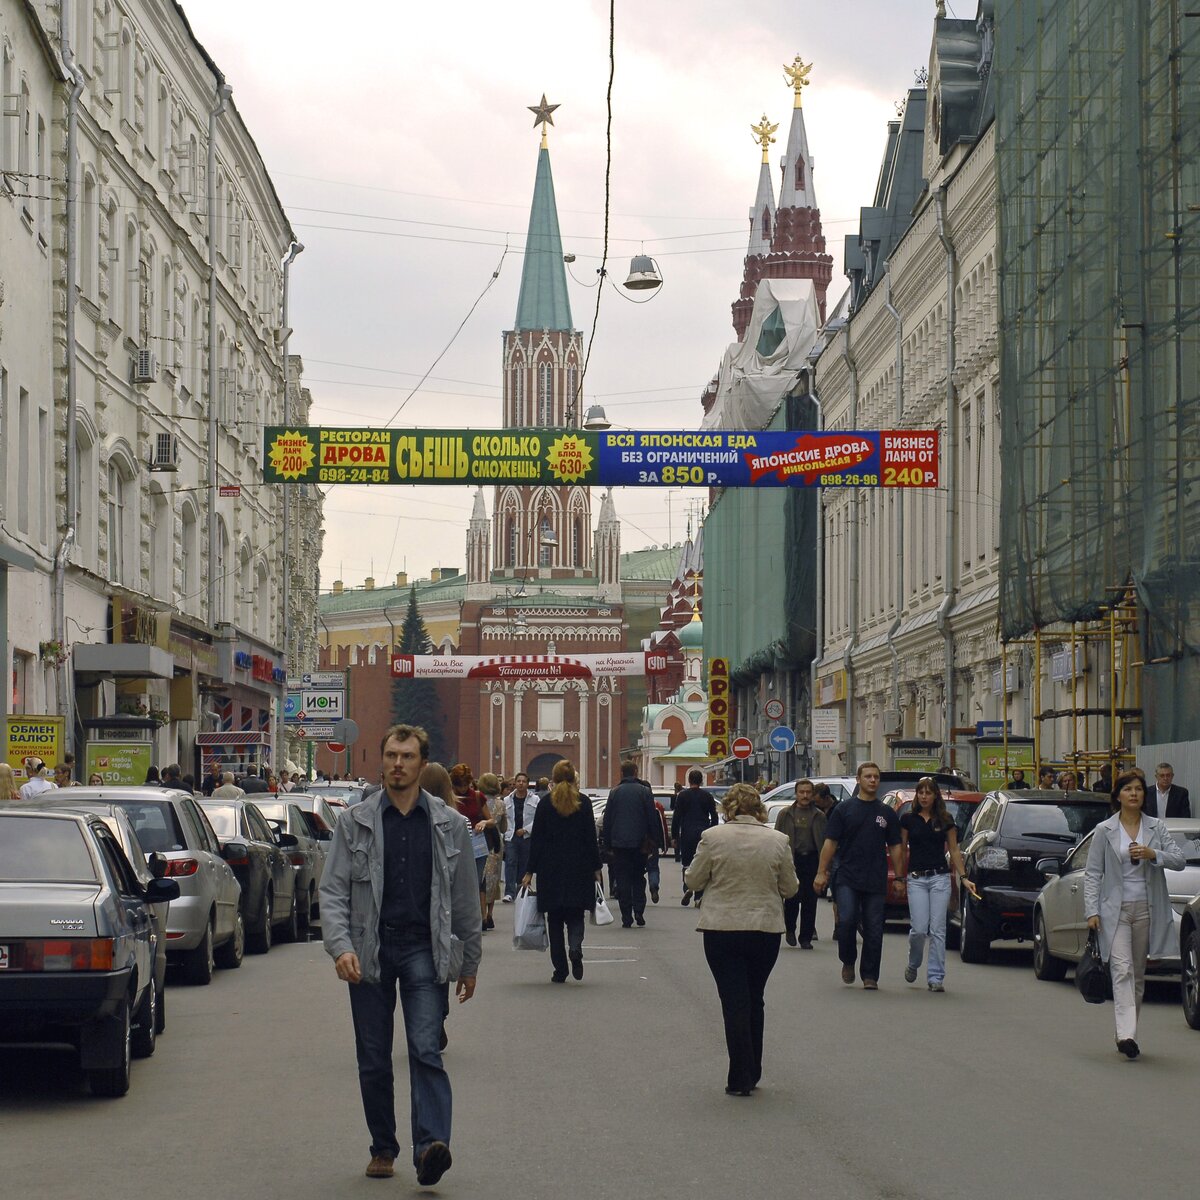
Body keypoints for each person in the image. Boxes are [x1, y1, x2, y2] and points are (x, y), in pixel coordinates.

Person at [321, 724, 480, 1186]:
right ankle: (383, 1146)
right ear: (383, 760)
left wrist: (469, 963)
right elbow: (332, 892)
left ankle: (431, 1146)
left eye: (407, 757)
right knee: (373, 1056)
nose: (397, 764)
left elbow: (466, 899)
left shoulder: (450, 823)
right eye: (391, 755)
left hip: (423, 949)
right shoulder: (356, 821)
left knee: (426, 1048)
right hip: (370, 947)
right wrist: (340, 947)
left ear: (422, 763)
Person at [684, 782, 798, 1096]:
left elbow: (694, 879)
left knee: (733, 1001)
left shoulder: (712, 838)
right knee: (754, 996)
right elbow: (790, 888)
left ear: (729, 808)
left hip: (721, 930)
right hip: (764, 930)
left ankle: (740, 1076)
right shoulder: (778, 840)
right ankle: (754, 1068)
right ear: (759, 808)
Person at [1084, 770, 1185, 1059]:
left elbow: (1178, 860)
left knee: (1138, 974)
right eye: (1128, 789)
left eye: (1139, 789)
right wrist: (1092, 909)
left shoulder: (1156, 828)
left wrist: (1154, 855)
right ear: (1118, 795)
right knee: (1122, 969)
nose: (1134, 794)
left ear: (1144, 795)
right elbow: (1093, 873)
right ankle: (1128, 1033)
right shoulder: (1105, 830)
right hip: (1114, 911)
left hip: (1146, 909)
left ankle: (1125, 1033)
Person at [814, 762, 903, 990]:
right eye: (868, 776)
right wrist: (821, 872)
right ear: (859, 780)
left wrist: (900, 878)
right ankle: (848, 959)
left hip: (875, 878)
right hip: (847, 876)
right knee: (847, 920)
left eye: (876, 777)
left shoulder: (886, 813)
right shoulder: (844, 810)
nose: (873, 780)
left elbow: (895, 846)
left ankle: (870, 975)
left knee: (874, 928)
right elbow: (830, 843)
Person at [521, 759, 602, 983]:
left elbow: (536, 840)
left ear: (554, 778)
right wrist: (596, 867)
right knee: (576, 915)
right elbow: (590, 840)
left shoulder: (545, 805)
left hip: (551, 870)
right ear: (574, 778)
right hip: (580, 868)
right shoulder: (584, 803)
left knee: (554, 921)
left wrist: (529, 871)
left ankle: (560, 970)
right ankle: (575, 947)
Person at [901, 778, 974, 992]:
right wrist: (899, 876)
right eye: (920, 792)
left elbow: (954, 850)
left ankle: (935, 977)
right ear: (917, 795)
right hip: (916, 878)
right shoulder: (908, 819)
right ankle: (914, 963)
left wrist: (963, 877)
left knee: (938, 929)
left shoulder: (945, 819)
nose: (924, 796)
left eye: (928, 792)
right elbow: (902, 848)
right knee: (919, 929)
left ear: (935, 796)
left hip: (939, 878)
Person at [601, 760, 662, 928]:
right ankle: (639, 911)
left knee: (622, 879)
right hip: (640, 843)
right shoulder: (645, 792)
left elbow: (608, 821)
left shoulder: (614, 792)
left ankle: (626, 916)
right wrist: (653, 841)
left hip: (619, 844)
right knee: (637, 878)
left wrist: (607, 844)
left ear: (622, 773)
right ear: (636, 772)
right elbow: (651, 819)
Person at [774, 779, 826, 948]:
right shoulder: (785, 814)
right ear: (796, 794)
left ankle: (806, 938)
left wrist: (825, 869)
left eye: (808, 792)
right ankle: (790, 929)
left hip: (812, 860)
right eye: (801, 792)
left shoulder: (819, 815)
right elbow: (777, 838)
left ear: (812, 794)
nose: (805, 795)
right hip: (791, 860)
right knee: (792, 898)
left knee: (810, 901)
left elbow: (825, 842)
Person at [449, 764, 491, 932]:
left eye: (465, 784)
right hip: (456, 846)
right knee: (458, 883)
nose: (463, 788)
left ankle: (474, 921)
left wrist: (484, 822)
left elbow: (492, 820)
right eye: (459, 785)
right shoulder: (449, 797)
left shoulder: (478, 796)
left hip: (478, 847)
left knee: (475, 884)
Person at [672, 768, 719, 907]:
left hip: (687, 832)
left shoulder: (682, 796)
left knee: (687, 863)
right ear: (701, 781)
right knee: (702, 863)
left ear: (689, 780)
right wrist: (712, 829)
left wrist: (674, 836)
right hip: (703, 833)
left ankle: (687, 888)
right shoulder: (707, 796)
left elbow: (676, 817)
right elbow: (714, 815)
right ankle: (699, 896)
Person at [475, 772, 508, 929]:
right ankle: (490, 914)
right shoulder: (500, 804)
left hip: (480, 841)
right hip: (496, 843)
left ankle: (482, 915)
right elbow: (504, 827)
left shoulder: (477, 800)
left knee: (481, 879)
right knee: (494, 879)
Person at [501, 772, 539, 903]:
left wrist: (526, 830)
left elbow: (538, 819)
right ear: (515, 783)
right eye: (518, 781)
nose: (521, 783)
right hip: (511, 836)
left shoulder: (535, 800)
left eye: (523, 781)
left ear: (528, 784)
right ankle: (509, 892)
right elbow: (504, 819)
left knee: (524, 863)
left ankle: (521, 890)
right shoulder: (507, 800)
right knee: (510, 863)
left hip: (527, 836)